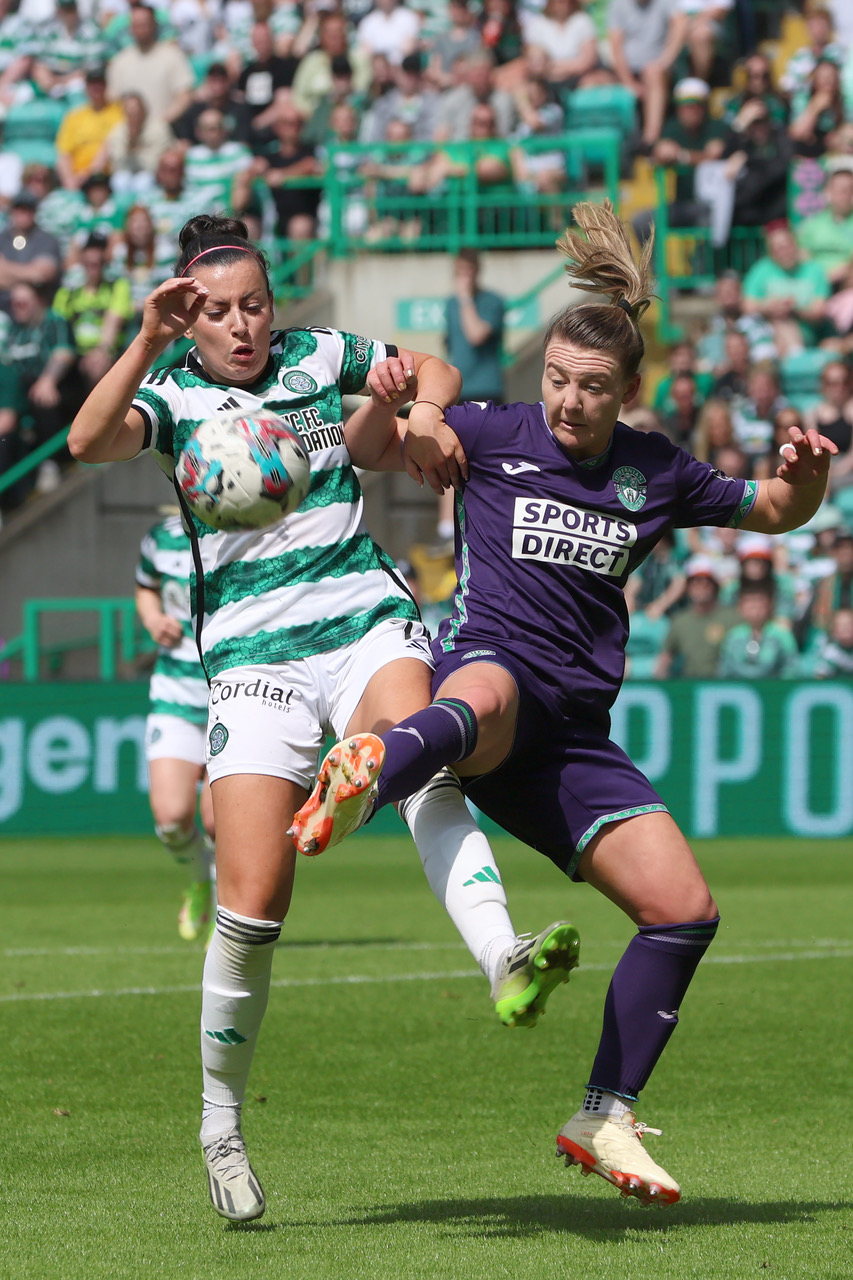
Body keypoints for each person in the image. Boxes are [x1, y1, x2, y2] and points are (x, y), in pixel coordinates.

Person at [291, 200, 837, 1206]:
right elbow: (381, 438)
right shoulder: (494, 433)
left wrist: (804, 482)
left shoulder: (655, 468)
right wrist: (414, 414)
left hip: (573, 736)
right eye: (554, 378)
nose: (567, 402)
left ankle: (604, 1115)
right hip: (489, 683)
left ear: (628, 390)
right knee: (488, 686)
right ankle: (370, 771)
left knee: (683, 911)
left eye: (590, 386)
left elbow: (772, 510)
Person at [67, 214, 578, 1222]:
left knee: (423, 761)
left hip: (362, 621)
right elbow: (87, 443)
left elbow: (433, 366)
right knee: (254, 908)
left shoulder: (318, 355)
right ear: (190, 318)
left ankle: (502, 954)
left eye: (255, 304)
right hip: (252, 660)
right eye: (218, 311)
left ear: (274, 304)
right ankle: (220, 1125)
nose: (242, 325)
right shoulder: (171, 396)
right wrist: (144, 337)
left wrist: (415, 406)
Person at [136, 509, 216, 940]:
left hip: (234, 688)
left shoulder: (251, 524)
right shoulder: (160, 538)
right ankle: (200, 879)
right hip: (175, 693)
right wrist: (152, 619)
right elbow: (146, 586)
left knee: (220, 822)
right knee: (171, 818)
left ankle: (228, 921)